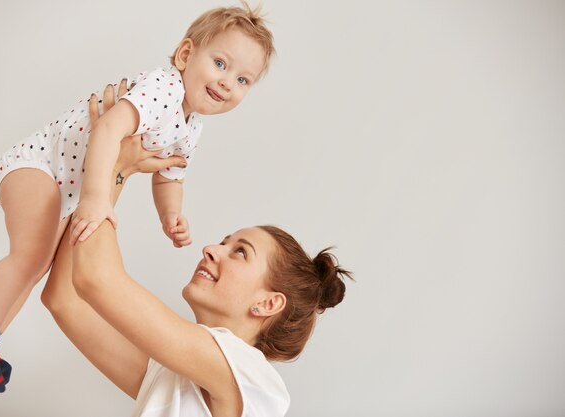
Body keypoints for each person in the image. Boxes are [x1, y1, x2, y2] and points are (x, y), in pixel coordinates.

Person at [0, 3, 275, 393]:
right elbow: (108, 128)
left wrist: (170, 215)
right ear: (186, 55)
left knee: (39, 264)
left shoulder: (191, 127)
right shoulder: (164, 89)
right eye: (221, 64)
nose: (228, 83)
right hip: (40, 165)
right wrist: (95, 198)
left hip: (69, 188)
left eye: (244, 80)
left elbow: (168, 175)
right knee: (31, 255)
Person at [41, 84, 352, 417]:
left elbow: (96, 280)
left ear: (268, 303)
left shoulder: (249, 375)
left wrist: (110, 163)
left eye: (240, 252)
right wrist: (118, 172)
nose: (211, 250)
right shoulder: (169, 376)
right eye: (225, 242)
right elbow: (65, 300)